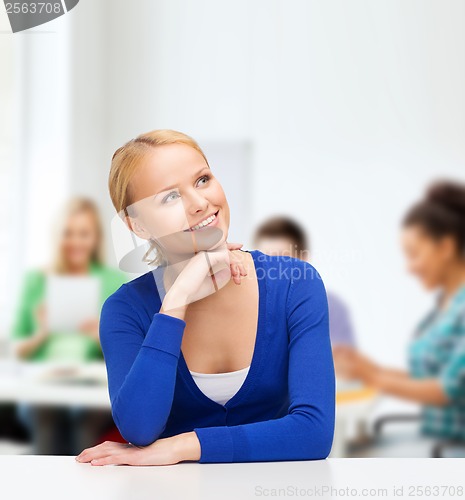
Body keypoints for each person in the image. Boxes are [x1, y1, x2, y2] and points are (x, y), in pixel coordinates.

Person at [75, 129, 335, 466]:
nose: (200, 204)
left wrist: (181, 447)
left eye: (202, 180)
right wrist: (177, 299)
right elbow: (139, 429)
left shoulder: (294, 286)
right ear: (137, 225)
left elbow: (313, 432)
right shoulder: (125, 310)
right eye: (170, 197)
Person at [333, 180, 465, 446]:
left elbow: (446, 390)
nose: (410, 268)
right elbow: (426, 378)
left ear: (446, 248)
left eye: (414, 254)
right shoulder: (442, 310)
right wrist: (366, 367)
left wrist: (372, 377)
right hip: (436, 443)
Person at [11, 196, 129, 455]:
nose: (75, 241)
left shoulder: (113, 282)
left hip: (95, 385)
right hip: (44, 384)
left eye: (83, 234)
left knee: (84, 431)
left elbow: (128, 351)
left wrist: (102, 335)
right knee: (46, 426)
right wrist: (41, 334)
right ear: (57, 236)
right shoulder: (37, 281)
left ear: (95, 238)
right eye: (68, 233)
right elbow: (18, 350)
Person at [253, 216, 357, 347]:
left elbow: (343, 361)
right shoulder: (248, 306)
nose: (272, 269)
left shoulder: (331, 307)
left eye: (281, 259)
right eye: (264, 260)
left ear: (303, 259)